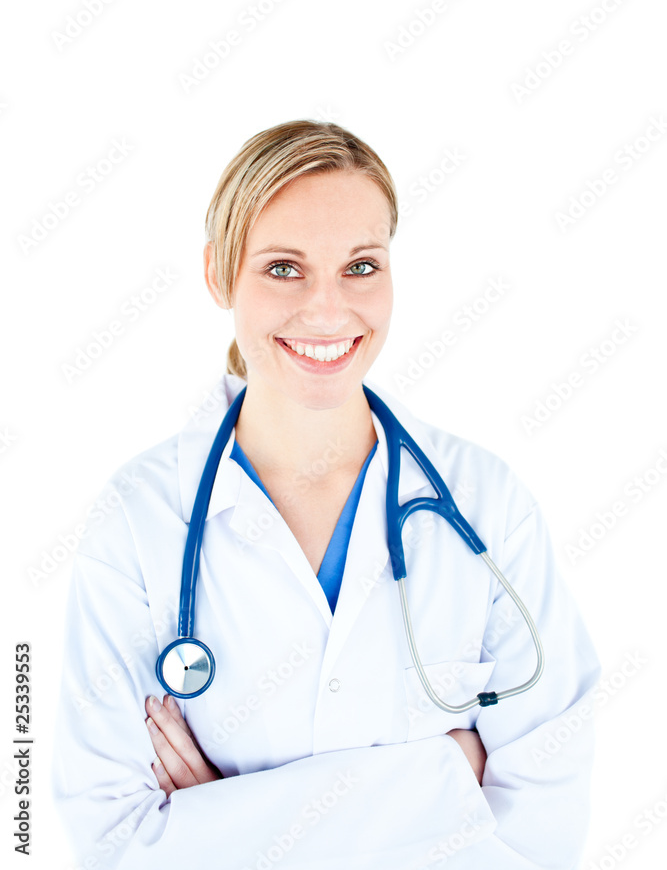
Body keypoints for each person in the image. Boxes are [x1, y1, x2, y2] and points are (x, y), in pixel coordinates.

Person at [52, 120, 600, 869]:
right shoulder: (140, 518)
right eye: (283, 268)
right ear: (218, 276)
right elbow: (111, 837)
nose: (327, 309)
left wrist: (224, 824)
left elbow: (543, 828)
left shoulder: (484, 503)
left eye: (361, 266)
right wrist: (446, 780)